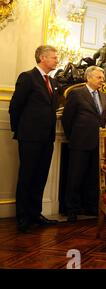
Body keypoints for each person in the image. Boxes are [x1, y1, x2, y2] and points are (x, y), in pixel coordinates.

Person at [8, 45, 60, 233]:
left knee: (40, 177)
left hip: (47, 138)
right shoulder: (28, 77)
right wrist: (19, 131)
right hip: (29, 137)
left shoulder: (53, 82)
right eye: (54, 57)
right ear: (42, 58)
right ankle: (23, 217)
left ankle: (35, 214)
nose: (57, 60)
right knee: (27, 176)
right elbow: (15, 107)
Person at [62, 66, 106, 222]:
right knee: (75, 176)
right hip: (80, 141)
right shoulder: (77, 93)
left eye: (102, 77)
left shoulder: (104, 96)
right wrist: (73, 137)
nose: (102, 80)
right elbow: (67, 118)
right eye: (99, 77)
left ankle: (90, 206)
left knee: (93, 177)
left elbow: (101, 119)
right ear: (88, 78)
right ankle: (71, 210)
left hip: (98, 143)